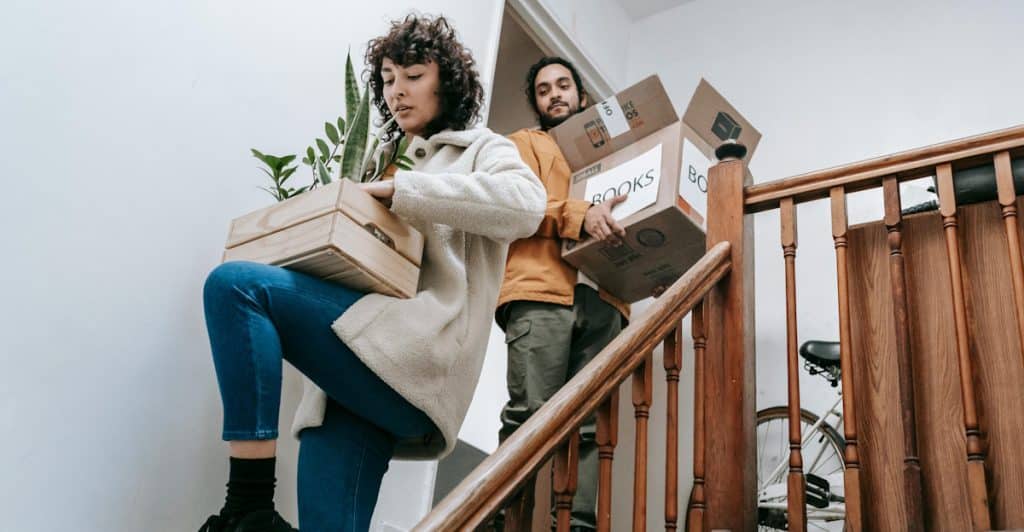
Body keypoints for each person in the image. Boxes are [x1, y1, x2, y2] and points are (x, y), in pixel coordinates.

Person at [198, 14, 546, 532]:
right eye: (386, 79)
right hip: (349, 376)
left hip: (411, 360)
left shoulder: (482, 148)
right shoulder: (376, 159)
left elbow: (527, 205)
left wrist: (406, 190)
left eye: (413, 75)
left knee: (236, 286)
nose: (396, 92)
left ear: (445, 80)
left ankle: (247, 503)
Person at [495, 57, 630, 531]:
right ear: (536, 102)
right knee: (529, 416)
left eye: (564, 85)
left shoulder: (617, 154)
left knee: (591, 429)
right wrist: (582, 214)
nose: (555, 94)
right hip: (541, 294)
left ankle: (577, 526)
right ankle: (501, 521)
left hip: (605, 300)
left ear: (583, 97)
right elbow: (517, 204)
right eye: (544, 89)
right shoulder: (524, 145)